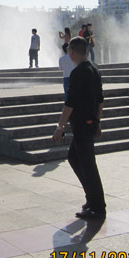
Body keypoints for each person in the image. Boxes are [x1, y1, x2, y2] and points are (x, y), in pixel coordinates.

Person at [52, 37, 106, 220]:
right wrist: (98, 121)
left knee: (88, 165)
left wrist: (60, 126)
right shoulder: (94, 69)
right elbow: (100, 100)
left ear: (72, 51)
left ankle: (97, 207)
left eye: (69, 50)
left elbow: (70, 103)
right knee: (74, 158)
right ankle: (92, 198)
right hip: (89, 123)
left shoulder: (78, 72)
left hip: (83, 124)